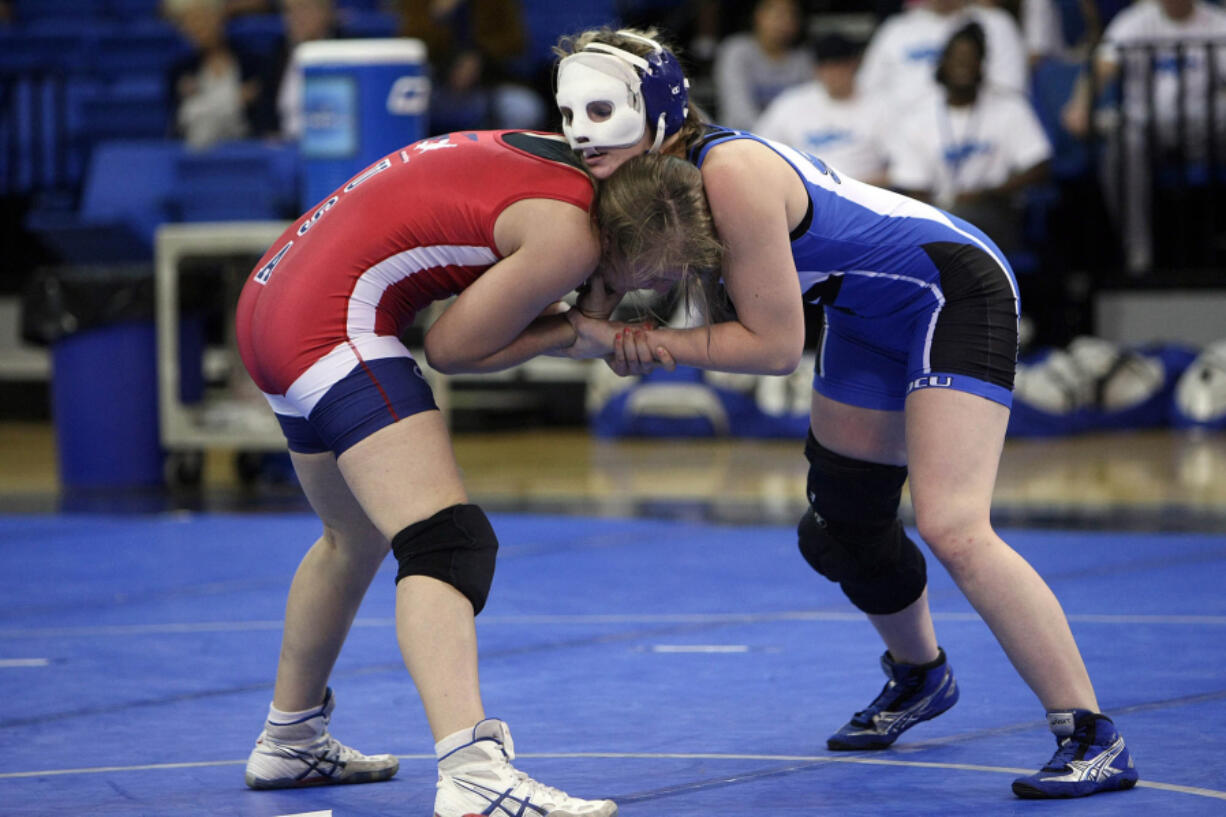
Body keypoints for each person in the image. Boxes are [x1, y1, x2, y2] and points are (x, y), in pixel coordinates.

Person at [553, 26, 1139, 800]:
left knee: (954, 525)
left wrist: (639, 339)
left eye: (600, 111)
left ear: (654, 107)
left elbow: (770, 347)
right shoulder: (629, 172)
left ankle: (1093, 732)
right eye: (567, 115)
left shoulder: (729, 173)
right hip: (865, 307)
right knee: (843, 523)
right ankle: (921, 675)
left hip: (948, 288)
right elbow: (595, 298)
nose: (580, 135)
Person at [233, 129, 618, 817]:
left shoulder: (564, 152)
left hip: (271, 299)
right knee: (446, 539)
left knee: (352, 535)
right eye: (674, 270)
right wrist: (577, 332)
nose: (657, 287)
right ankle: (473, 773)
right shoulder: (578, 232)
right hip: (329, 320)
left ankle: (289, 737)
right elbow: (452, 347)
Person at [1061, 0, 1226, 273]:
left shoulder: (1217, 22)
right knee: (1122, 146)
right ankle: (1138, 252)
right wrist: (1081, 104)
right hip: (1146, 127)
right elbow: (1102, 66)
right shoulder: (1135, 21)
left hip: (1205, 126)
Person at [884, 21, 1052, 257]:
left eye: (971, 58)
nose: (964, 64)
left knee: (964, 226)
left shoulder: (1009, 107)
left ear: (981, 65)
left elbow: (1040, 166)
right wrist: (939, 215)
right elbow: (912, 185)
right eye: (957, 57)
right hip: (937, 216)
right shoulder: (917, 117)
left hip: (996, 211)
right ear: (943, 63)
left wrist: (989, 193)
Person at [754, 31, 889, 186]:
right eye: (826, 67)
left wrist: (849, 189)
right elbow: (760, 152)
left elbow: (903, 169)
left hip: (864, 195)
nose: (833, 73)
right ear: (816, 69)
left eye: (840, 65)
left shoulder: (881, 105)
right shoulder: (791, 103)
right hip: (804, 194)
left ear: (854, 64)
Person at [858, 0, 1027, 108]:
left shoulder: (995, 23)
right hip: (903, 143)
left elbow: (1011, 92)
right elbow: (867, 91)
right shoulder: (896, 29)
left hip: (978, 136)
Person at [164, 0, 268, 149]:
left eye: (202, 19)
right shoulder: (180, 72)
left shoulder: (252, 63)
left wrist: (203, 105)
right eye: (190, 23)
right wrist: (235, 99)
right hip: (197, 156)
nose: (198, 28)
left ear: (219, 18)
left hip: (247, 152)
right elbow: (184, 117)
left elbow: (263, 113)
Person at [711, 0, 815, 130]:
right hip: (740, 139)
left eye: (791, 15)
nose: (785, 21)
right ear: (758, 15)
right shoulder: (736, 51)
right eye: (778, 14)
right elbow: (738, 111)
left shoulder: (802, 58)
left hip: (789, 142)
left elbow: (809, 109)